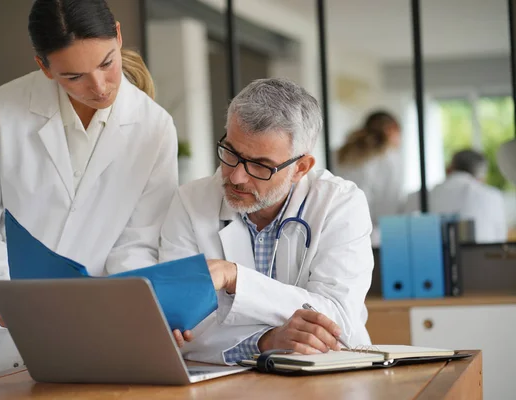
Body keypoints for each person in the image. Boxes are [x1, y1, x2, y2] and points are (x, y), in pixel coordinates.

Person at [0, 0, 178, 387]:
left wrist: (127, 316)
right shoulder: (0, 111)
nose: (98, 87)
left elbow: (137, 241)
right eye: (73, 76)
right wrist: (17, 306)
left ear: (118, 34)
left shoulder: (155, 128)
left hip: (85, 330)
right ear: (43, 66)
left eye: (106, 63)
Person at [159, 78, 373, 364]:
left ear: (300, 167)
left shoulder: (340, 204)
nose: (236, 177)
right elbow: (177, 326)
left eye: (260, 165)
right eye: (231, 153)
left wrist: (236, 277)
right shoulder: (190, 202)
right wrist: (265, 341)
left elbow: (336, 321)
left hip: (330, 375)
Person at [404, 149, 507, 243]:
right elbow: (500, 241)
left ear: (448, 169)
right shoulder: (493, 196)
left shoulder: (423, 196)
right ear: (481, 177)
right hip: (482, 259)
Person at [335, 111, 403, 244]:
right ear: (392, 129)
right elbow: (390, 203)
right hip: (375, 236)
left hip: (341, 230)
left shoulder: (340, 153)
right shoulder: (390, 158)